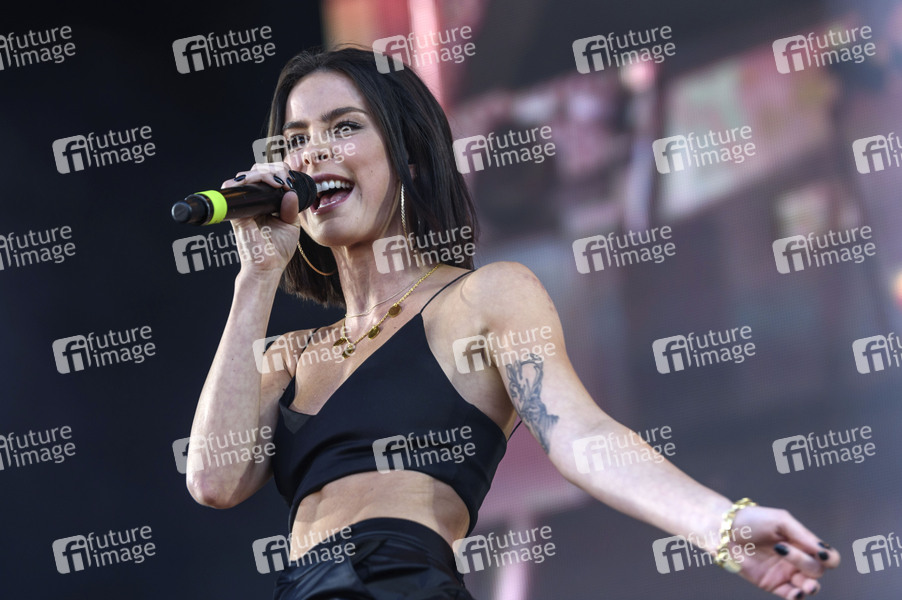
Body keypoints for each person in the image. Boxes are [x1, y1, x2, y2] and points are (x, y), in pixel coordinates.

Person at [186, 47, 840, 600]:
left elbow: (580, 435)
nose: (313, 153)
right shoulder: (289, 357)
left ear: (409, 155)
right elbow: (214, 480)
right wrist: (257, 275)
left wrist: (720, 525)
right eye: (296, 139)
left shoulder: (482, 298)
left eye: (344, 127)